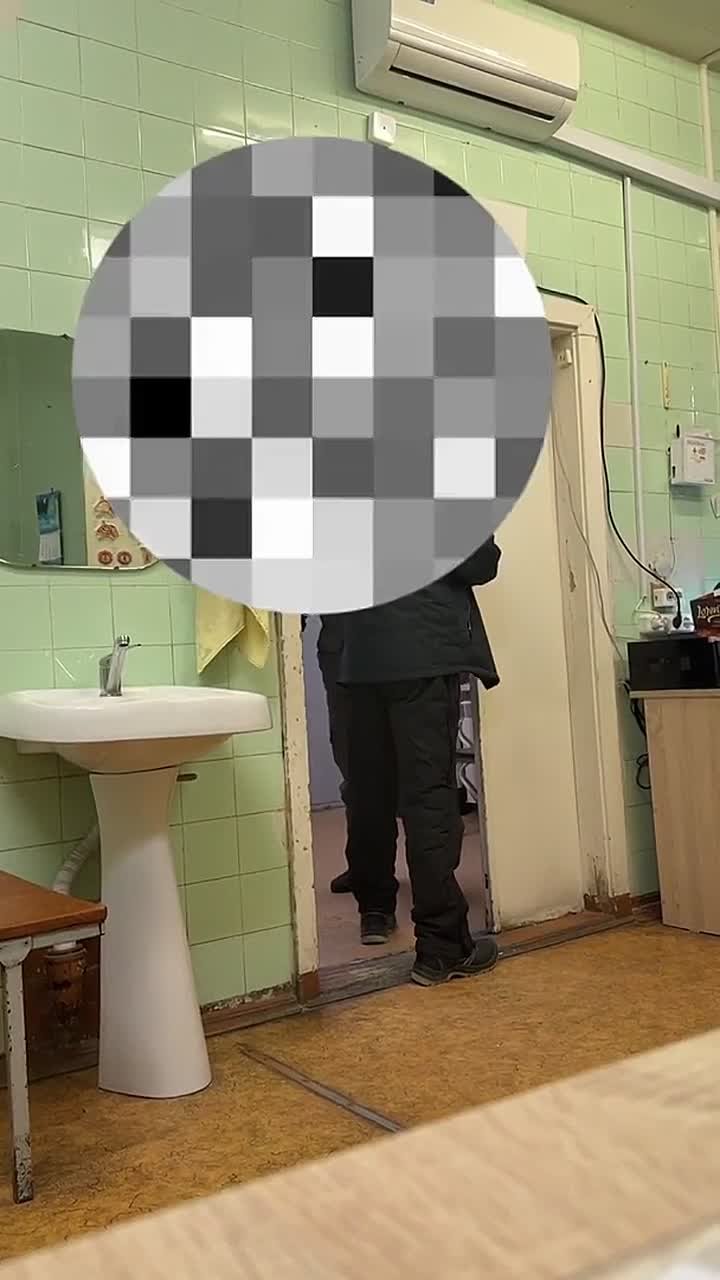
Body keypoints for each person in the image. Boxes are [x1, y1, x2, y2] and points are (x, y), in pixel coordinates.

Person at [340, 538, 501, 987]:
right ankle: (442, 946)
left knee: (370, 790)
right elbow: (479, 563)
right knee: (428, 797)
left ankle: (375, 909)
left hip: (361, 655)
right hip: (423, 652)